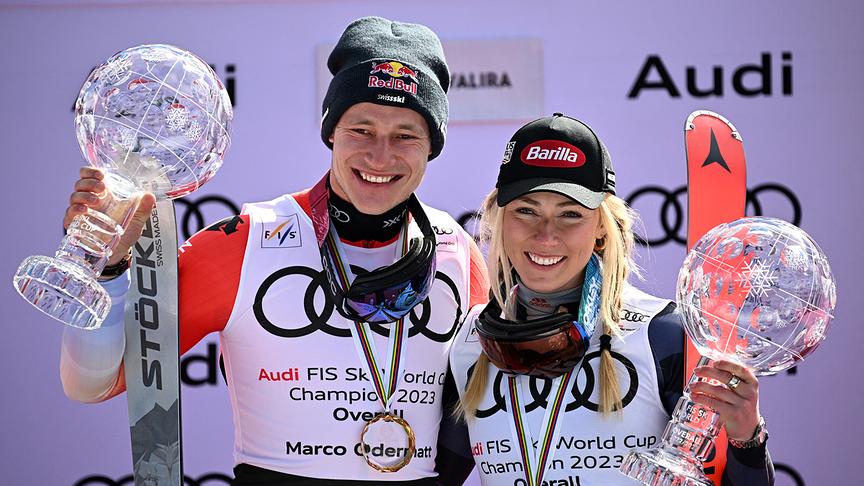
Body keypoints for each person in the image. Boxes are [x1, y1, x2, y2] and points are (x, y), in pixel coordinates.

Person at [59, 16, 487, 485]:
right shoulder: (245, 242)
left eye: (405, 135)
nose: (380, 156)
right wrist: (108, 271)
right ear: (331, 132)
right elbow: (91, 384)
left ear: (432, 147)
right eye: (361, 129)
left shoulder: (458, 253)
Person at [448, 113, 774, 485]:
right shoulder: (467, 342)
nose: (546, 235)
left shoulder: (662, 335)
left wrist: (746, 439)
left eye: (571, 214)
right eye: (526, 211)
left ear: (602, 230)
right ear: (498, 219)